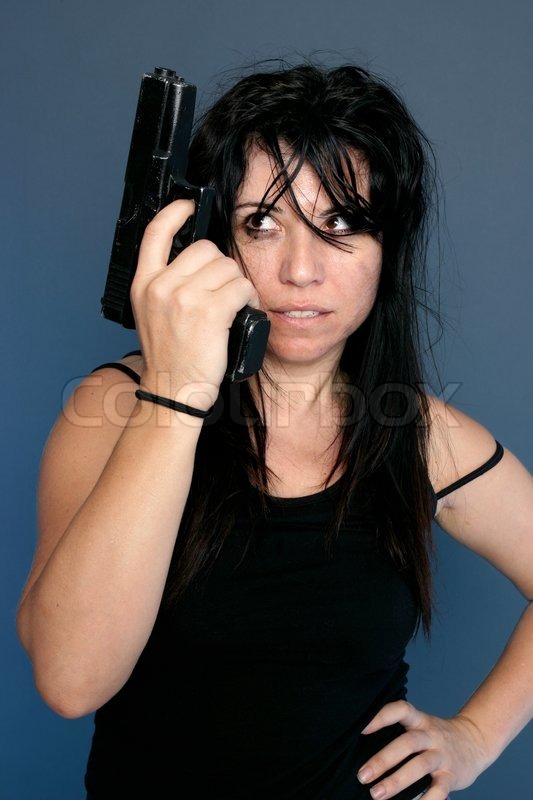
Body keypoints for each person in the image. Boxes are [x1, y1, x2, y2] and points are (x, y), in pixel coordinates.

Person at [16, 61, 533, 800]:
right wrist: (178, 389)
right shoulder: (117, 407)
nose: (299, 269)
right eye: (261, 223)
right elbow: (70, 682)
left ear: (387, 252)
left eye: (342, 225)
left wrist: (475, 738)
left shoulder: (420, 435)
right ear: (208, 238)